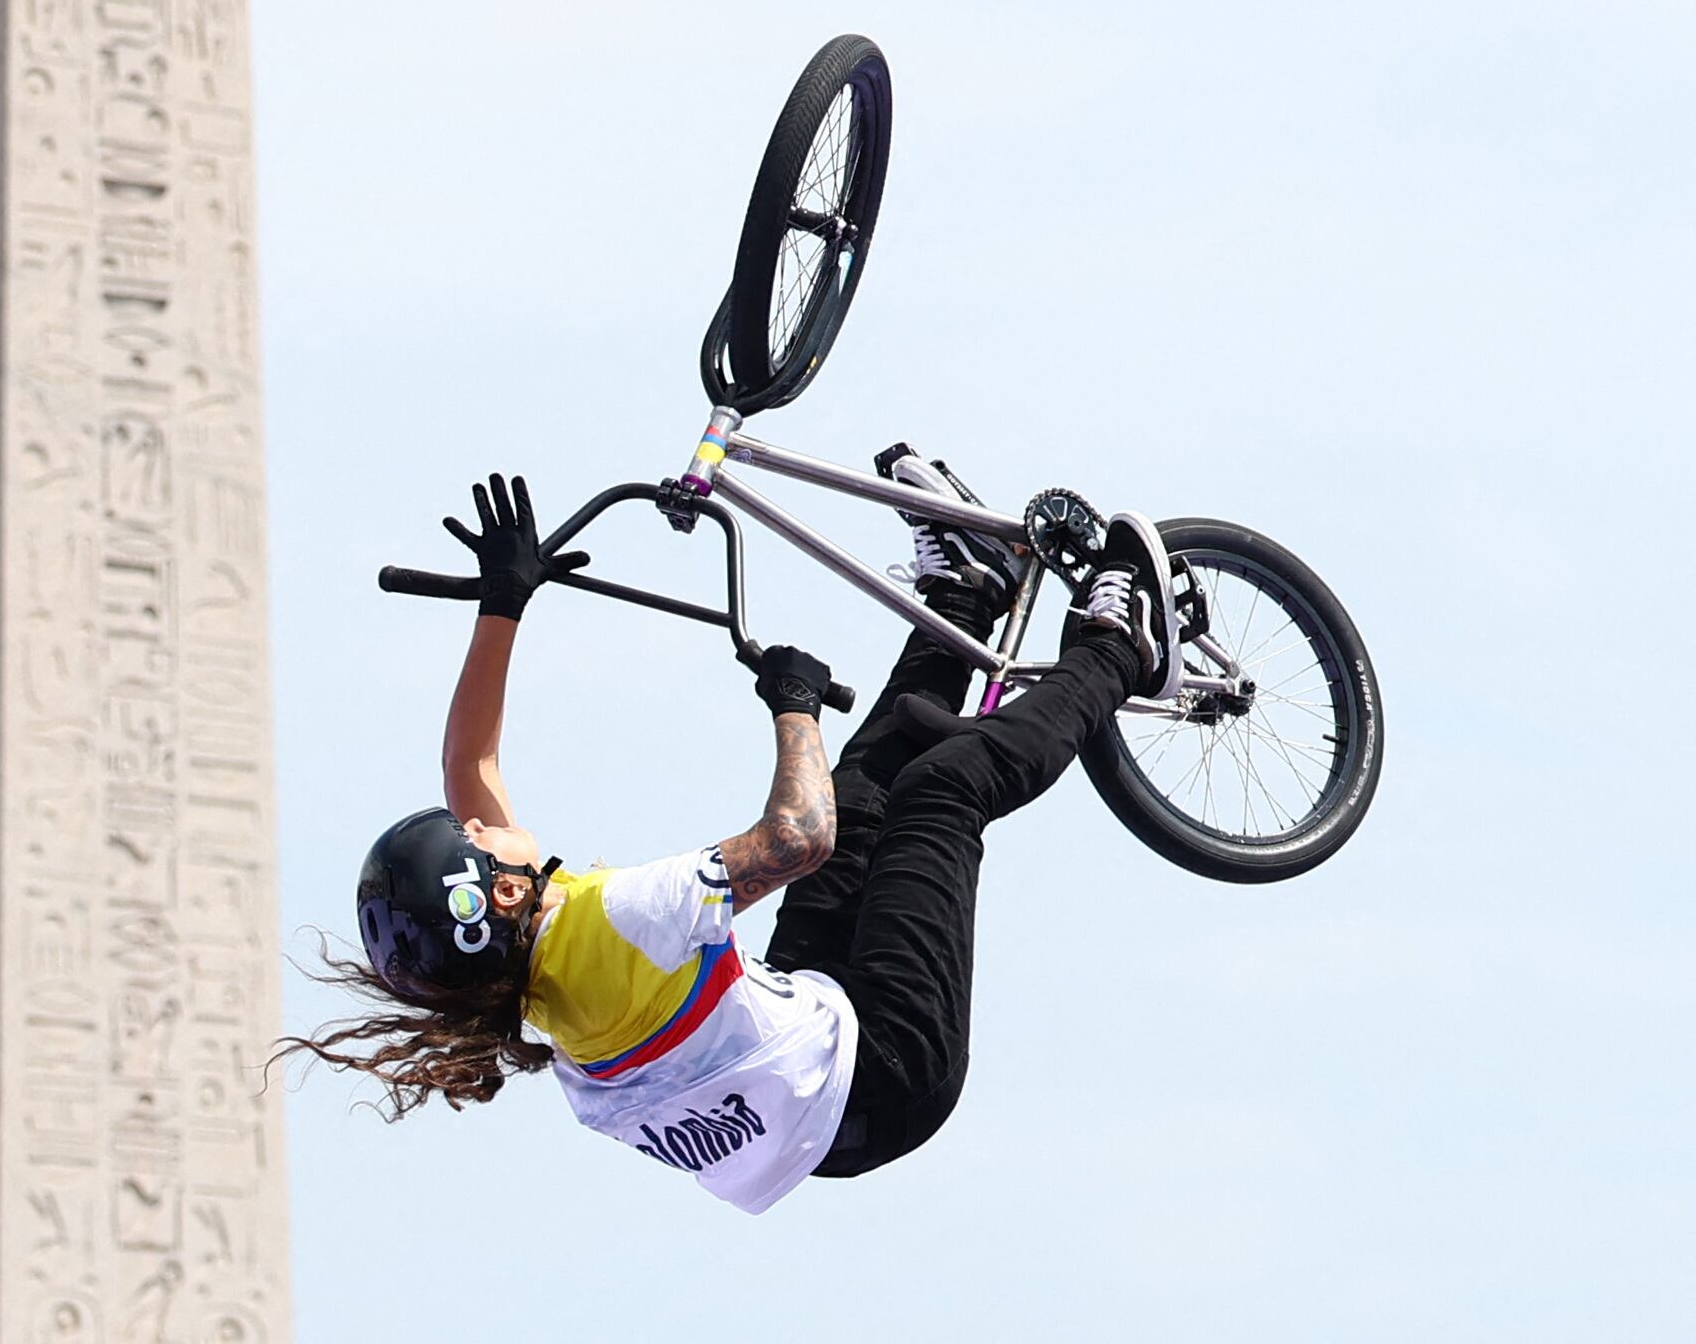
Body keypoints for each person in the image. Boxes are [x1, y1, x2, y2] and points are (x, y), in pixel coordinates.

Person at [280, 452, 1183, 1213]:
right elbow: (797, 838)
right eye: (475, 838)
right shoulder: (622, 921)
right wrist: (794, 708)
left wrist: (502, 602)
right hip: (890, 1072)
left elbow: (467, 768)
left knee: (869, 795)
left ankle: (964, 597)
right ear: (506, 888)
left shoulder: (527, 974)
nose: (482, 822)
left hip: (808, 1049)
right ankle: (1120, 642)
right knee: (941, 792)